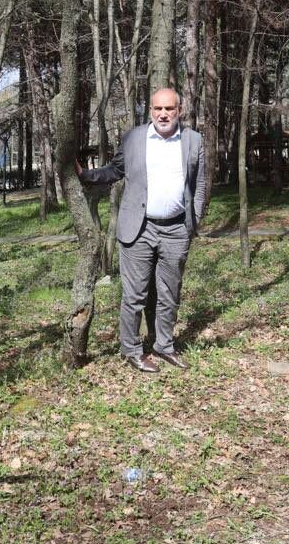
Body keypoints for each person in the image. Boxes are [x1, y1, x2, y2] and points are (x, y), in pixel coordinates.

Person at [80, 87, 209, 373]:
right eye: (157, 109)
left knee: (169, 294)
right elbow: (115, 170)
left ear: (179, 111)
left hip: (176, 229)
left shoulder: (193, 140)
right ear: (150, 110)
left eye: (169, 109)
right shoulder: (134, 138)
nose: (163, 114)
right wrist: (86, 175)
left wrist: (194, 220)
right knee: (135, 295)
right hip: (138, 228)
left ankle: (164, 345)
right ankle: (131, 349)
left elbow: (199, 184)